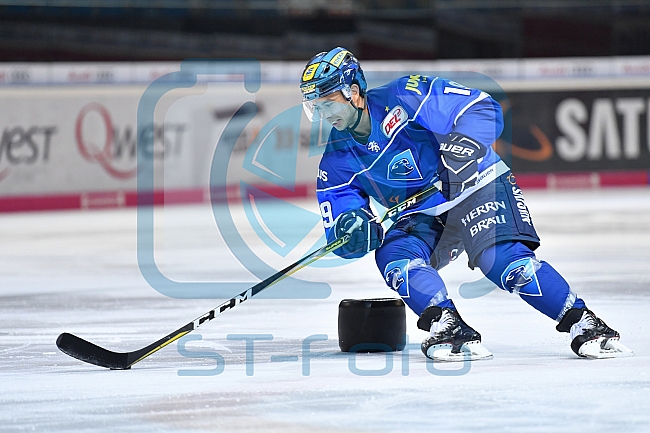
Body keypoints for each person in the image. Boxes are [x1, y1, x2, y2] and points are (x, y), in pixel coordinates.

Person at [299, 47, 633, 361]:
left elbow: (481, 108)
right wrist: (353, 231)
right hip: (423, 212)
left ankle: (585, 323)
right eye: (317, 106)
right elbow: (341, 224)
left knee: (501, 261)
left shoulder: (405, 94)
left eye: (328, 102)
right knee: (392, 255)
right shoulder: (335, 162)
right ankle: (448, 324)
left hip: (478, 185)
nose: (325, 114)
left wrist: (463, 148)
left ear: (354, 91)